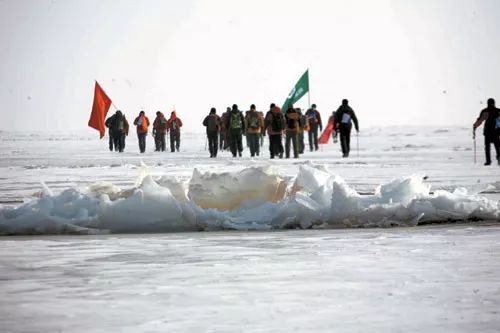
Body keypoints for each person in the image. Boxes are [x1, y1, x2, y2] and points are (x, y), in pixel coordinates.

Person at [473, 98, 500, 165]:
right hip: (496, 132)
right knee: (497, 146)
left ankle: (488, 161)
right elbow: (498, 121)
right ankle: (499, 156)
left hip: (487, 132)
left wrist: (475, 126)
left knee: (487, 147)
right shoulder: (498, 111)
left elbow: (480, 120)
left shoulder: (485, 111)